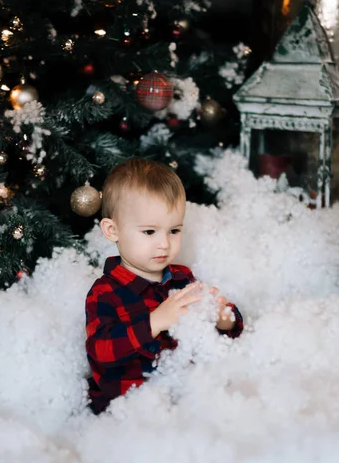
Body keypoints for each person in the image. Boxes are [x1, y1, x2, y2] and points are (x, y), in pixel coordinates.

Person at [85, 158, 243, 414]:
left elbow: (210, 337)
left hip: (182, 399)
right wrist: (155, 322)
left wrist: (224, 319)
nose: (164, 244)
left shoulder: (182, 278)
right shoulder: (105, 292)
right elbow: (101, 351)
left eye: (174, 231)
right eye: (149, 232)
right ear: (113, 230)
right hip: (127, 408)